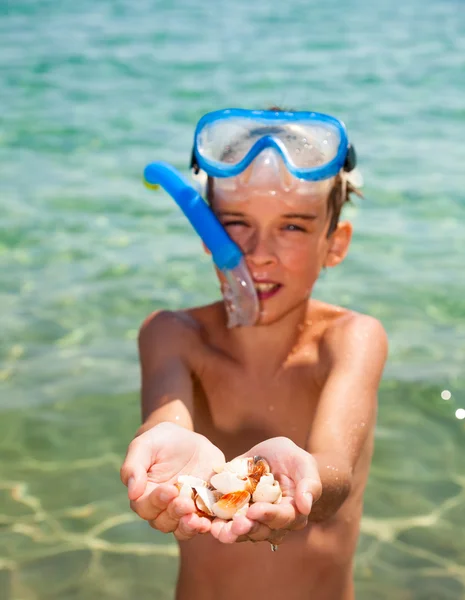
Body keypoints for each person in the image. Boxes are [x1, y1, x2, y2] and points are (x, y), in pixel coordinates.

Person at [120, 107, 388, 600]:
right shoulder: (172, 335)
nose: (258, 253)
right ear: (208, 235)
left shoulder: (350, 339)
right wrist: (160, 443)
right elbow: (167, 421)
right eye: (237, 223)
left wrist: (303, 484)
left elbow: (334, 470)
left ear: (335, 243)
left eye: (292, 227)